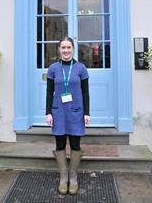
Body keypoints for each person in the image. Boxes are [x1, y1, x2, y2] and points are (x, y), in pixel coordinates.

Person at [46, 36, 90, 195]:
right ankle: (63, 178)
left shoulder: (81, 68)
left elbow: (85, 93)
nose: (66, 50)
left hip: (76, 112)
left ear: (73, 49)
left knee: (75, 145)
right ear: (59, 49)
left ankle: (73, 177)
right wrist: (48, 112)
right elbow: (49, 92)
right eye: (63, 47)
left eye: (68, 47)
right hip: (58, 112)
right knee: (59, 145)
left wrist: (86, 112)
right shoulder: (53, 68)